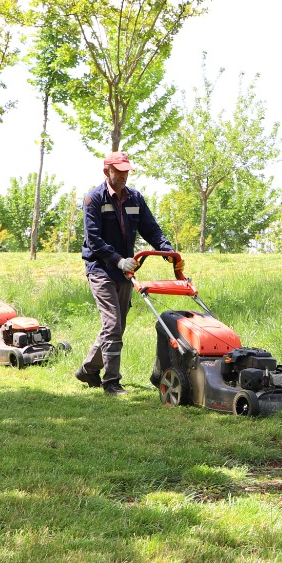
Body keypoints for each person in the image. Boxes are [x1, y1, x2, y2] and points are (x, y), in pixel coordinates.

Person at [78, 151, 178, 396]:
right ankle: (111, 381)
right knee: (112, 324)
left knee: (117, 327)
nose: (123, 175)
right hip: (100, 268)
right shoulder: (93, 200)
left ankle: (87, 370)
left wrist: (166, 249)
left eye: (126, 171)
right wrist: (117, 260)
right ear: (107, 172)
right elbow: (94, 240)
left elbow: (150, 228)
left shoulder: (135, 198)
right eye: (118, 171)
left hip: (126, 270)